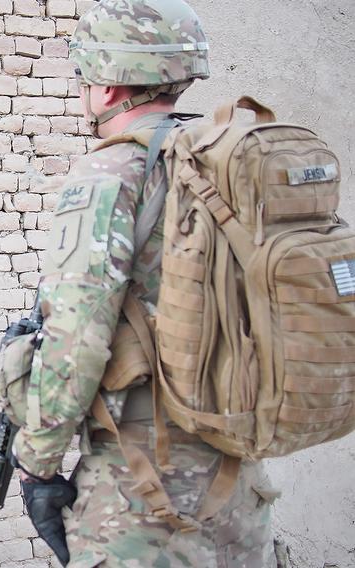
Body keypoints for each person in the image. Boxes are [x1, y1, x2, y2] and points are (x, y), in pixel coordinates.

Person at [15, 1, 279, 566]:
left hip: (141, 491)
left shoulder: (110, 173)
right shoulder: (233, 162)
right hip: (240, 481)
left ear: (106, 87)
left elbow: (77, 336)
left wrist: (36, 462)